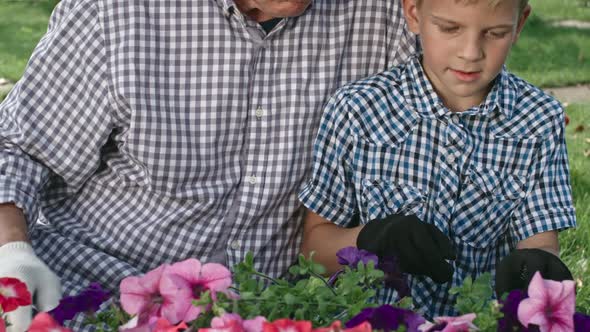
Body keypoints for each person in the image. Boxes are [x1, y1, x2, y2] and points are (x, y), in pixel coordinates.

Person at [0, 0, 418, 330]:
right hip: (93, 289)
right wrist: (12, 250)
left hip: (266, 308)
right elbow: (18, 147)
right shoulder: (118, 12)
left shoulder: (384, 15)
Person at [299, 0, 576, 319]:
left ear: (520, 23)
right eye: (450, 28)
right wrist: (373, 238)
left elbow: (540, 242)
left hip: (476, 322)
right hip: (369, 321)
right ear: (413, 14)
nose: (471, 53)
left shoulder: (539, 120)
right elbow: (314, 248)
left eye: (495, 32)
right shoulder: (357, 110)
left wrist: (536, 267)